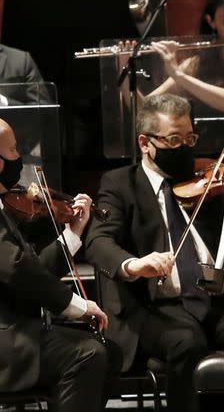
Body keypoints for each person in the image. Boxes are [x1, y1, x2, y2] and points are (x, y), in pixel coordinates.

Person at [84, 93, 224, 412]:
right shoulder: (120, 184)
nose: (185, 148)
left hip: (213, 302)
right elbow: (97, 241)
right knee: (187, 342)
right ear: (145, 143)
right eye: (174, 139)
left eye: (190, 137)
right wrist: (134, 264)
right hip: (153, 306)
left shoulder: (206, 182)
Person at [0, 118, 119, 411]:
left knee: (109, 352)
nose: (20, 158)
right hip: (6, 335)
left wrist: (73, 233)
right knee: (88, 355)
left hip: (17, 326)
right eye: (14, 150)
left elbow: (33, 271)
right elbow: (16, 268)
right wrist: (76, 305)